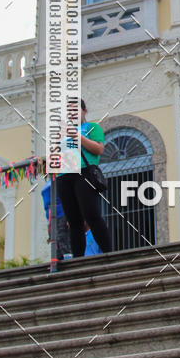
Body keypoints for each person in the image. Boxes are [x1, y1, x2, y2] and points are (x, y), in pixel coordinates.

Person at [56, 99, 112, 257]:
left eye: (75, 110)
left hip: (84, 172)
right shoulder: (61, 133)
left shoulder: (92, 127)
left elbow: (99, 149)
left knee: (91, 215)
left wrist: (76, 136)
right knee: (74, 222)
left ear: (84, 110)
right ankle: (78, 259)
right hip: (64, 175)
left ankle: (109, 254)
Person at [41, 180, 71, 260]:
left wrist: (69, 217)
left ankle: (68, 261)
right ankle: (58, 262)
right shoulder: (48, 182)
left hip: (62, 214)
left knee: (63, 240)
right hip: (51, 218)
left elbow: (68, 197)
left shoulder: (60, 179)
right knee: (55, 244)